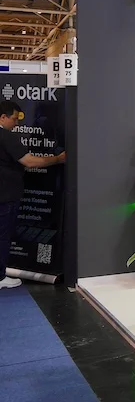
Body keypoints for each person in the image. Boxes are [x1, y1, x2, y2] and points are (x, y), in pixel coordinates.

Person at [0, 101, 65, 290]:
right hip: (5, 196)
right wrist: (58, 159)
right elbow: (30, 162)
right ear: (3, 117)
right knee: (2, 236)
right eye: (14, 119)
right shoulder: (6, 137)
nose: (17, 124)